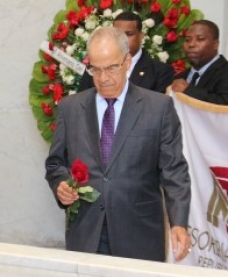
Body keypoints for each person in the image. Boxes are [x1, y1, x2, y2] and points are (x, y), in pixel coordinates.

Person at [45, 26, 191, 262]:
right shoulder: (70, 108)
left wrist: (179, 223)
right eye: (95, 69)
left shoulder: (158, 108)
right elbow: (55, 163)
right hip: (86, 232)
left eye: (111, 68)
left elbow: (174, 170)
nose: (103, 78)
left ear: (127, 62)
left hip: (140, 233)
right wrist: (61, 183)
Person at [78, 12, 173, 94]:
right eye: (118, 34)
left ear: (141, 36)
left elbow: (158, 110)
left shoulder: (160, 71)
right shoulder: (96, 66)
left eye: (129, 34)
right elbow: (81, 102)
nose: (122, 39)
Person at [171, 20, 228, 105]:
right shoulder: (179, 77)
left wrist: (188, 90)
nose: (191, 44)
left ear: (215, 44)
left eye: (200, 39)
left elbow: (225, 102)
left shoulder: (224, 71)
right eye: (187, 40)